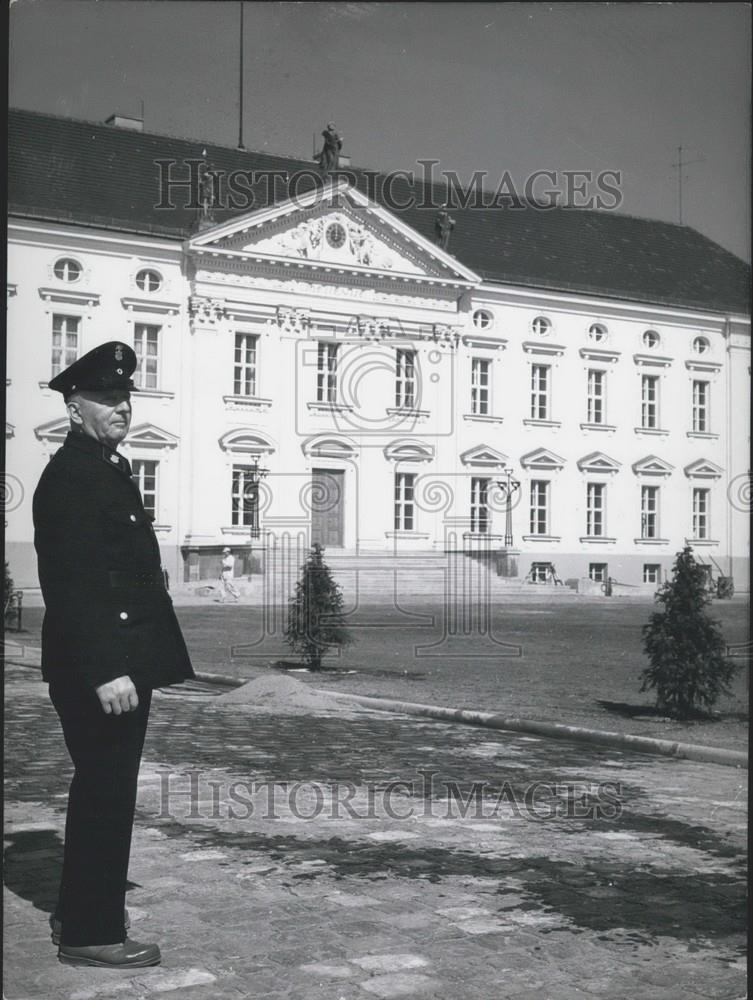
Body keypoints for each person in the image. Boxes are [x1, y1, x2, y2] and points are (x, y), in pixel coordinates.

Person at [33, 341, 194, 968]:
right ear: (75, 408)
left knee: (109, 788)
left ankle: (83, 915)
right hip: (100, 669)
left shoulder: (104, 467)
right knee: (104, 791)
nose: (120, 406)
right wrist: (106, 668)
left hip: (118, 661)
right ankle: (92, 934)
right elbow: (71, 584)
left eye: (124, 396)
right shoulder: (73, 476)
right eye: (105, 397)